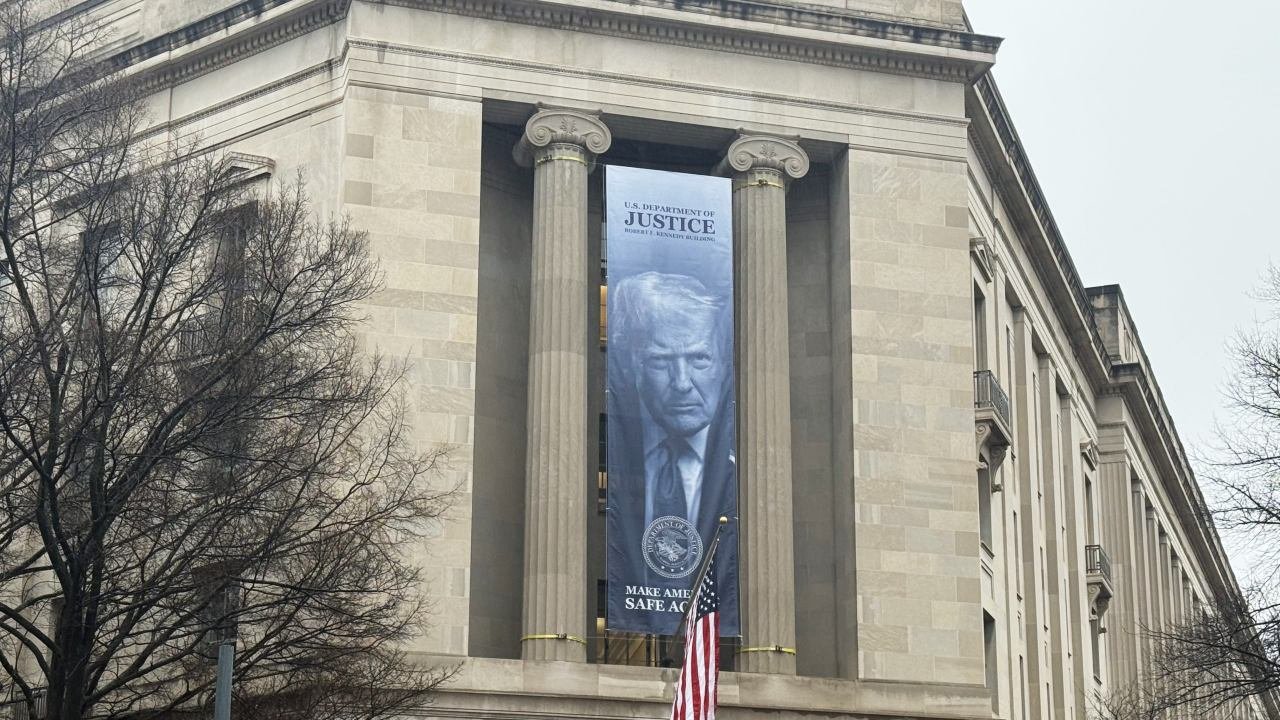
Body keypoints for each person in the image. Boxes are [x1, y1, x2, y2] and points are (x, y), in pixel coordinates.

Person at [606, 271, 738, 636]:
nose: (682, 383)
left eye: (699, 359)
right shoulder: (620, 450)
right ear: (632, 366)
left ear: (723, 364)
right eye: (661, 361)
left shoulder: (736, 468)